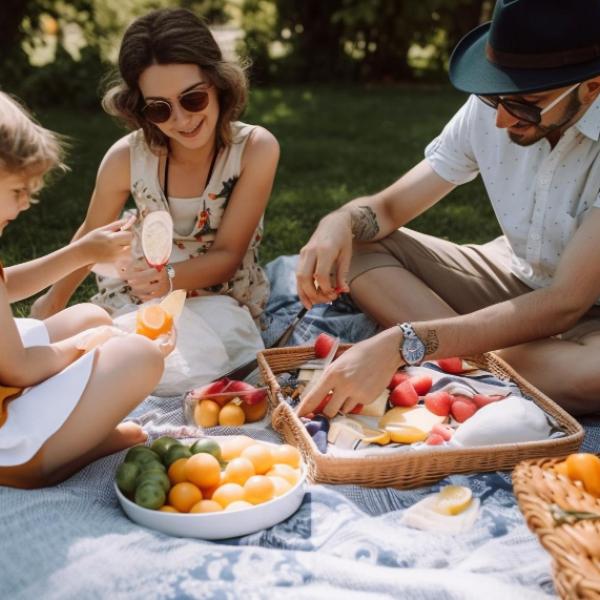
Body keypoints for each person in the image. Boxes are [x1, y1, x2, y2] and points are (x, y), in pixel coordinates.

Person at [296, 0, 600, 418]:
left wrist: (406, 341)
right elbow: (387, 209)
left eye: (527, 102)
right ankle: (486, 359)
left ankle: (465, 355)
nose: (502, 120)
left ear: (592, 86)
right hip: (516, 275)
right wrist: (339, 220)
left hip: (588, 310)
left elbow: (567, 302)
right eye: (496, 97)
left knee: (593, 375)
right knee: (357, 246)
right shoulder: (490, 107)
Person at [31, 8, 280, 386]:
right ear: (141, 108)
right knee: (108, 346)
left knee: (174, 362)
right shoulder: (125, 157)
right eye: (159, 108)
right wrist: (49, 304)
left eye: (192, 99)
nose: (181, 119)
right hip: (140, 295)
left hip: (220, 295)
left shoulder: (255, 149)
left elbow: (227, 256)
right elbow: (90, 236)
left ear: (218, 82)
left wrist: (171, 277)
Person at [0, 91, 174, 489]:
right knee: (138, 354)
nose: (26, 204)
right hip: (9, 449)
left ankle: (71, 434)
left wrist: (80, 252)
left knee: (88, 314)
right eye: (17, 192)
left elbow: (6, 286)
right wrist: (91, 344)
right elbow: (18, 368)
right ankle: (49, 459)